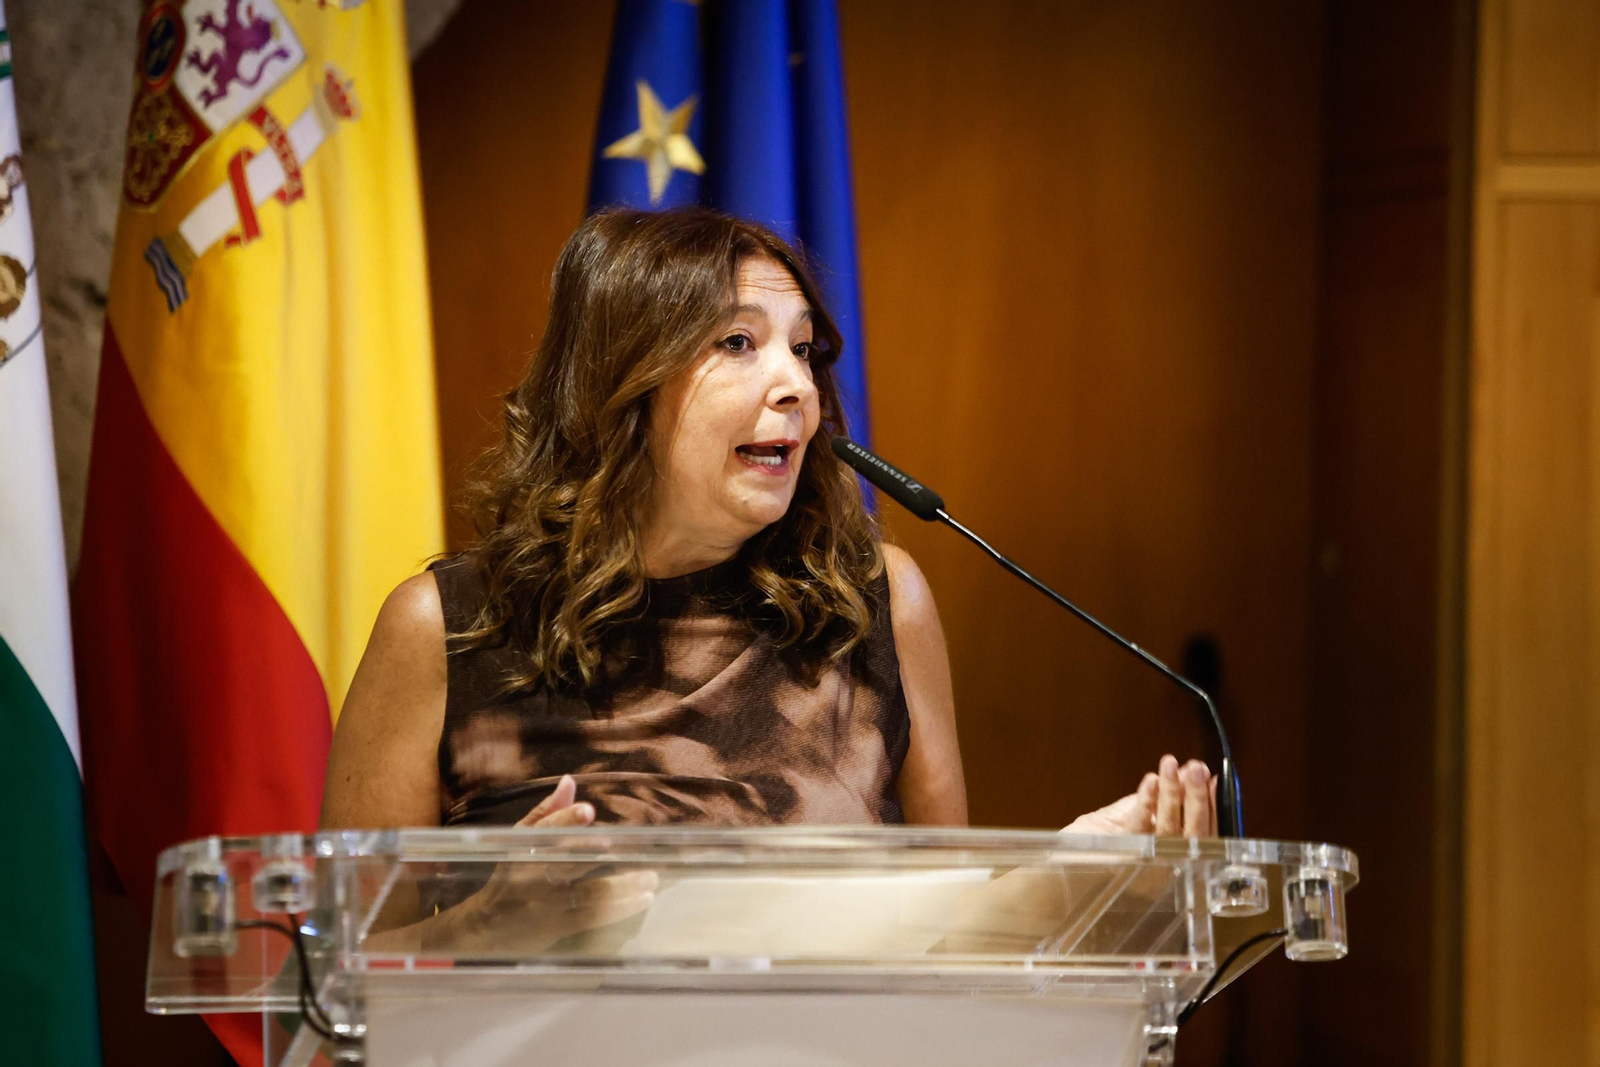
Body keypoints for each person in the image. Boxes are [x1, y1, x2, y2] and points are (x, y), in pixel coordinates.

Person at [321, 208, 1216, 944]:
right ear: (618, 387)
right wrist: (485, 928)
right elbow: (322, 991)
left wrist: (1087, 869)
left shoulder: (878, 606)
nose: (795, 385)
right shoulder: (448, 630)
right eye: (739, 342)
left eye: (803, 348)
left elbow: (947, 932)